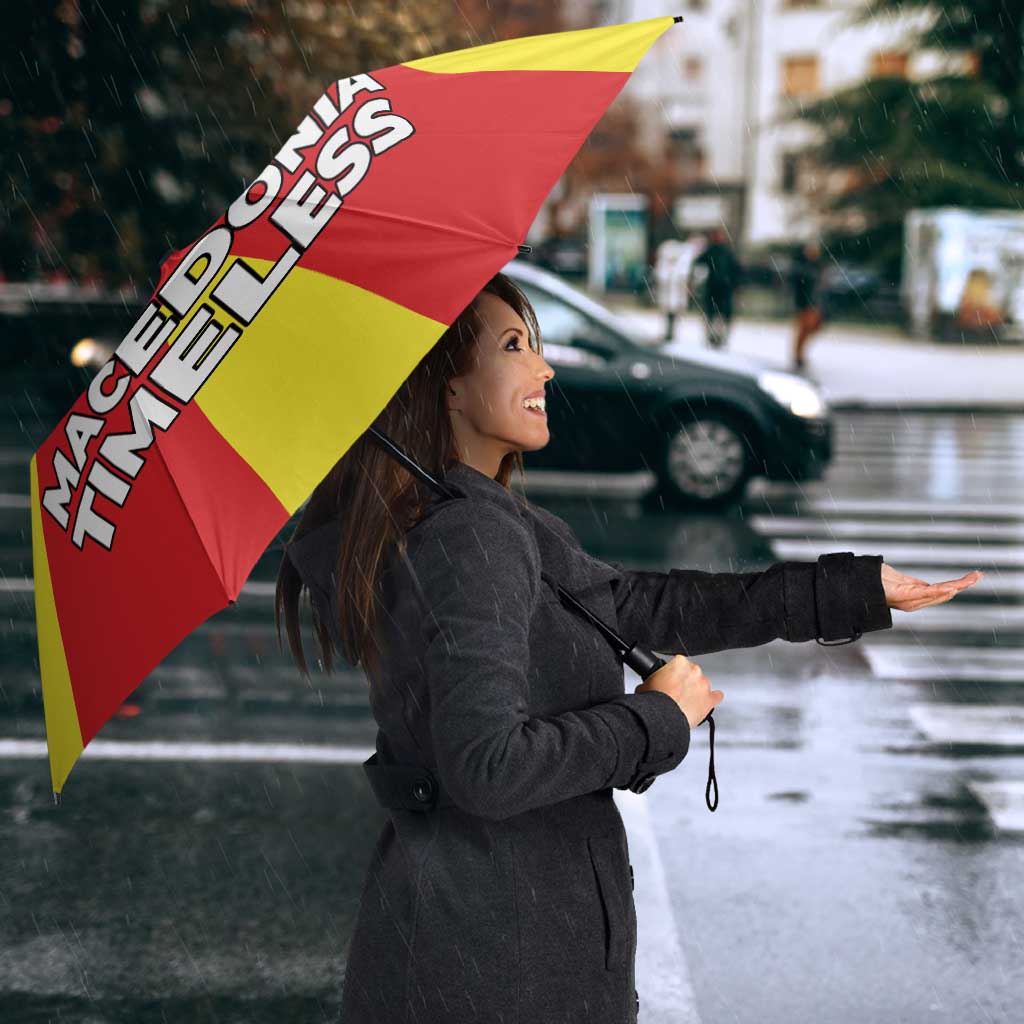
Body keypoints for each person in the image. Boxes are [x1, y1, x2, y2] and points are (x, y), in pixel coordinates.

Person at [275, 272, 980, 1024]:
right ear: (446, 387)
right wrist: (655, 719)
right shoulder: (470, 537)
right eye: (514, 346)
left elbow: (641, 605)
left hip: (480, 941)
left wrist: (850, 591)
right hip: (499, 963)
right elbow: (487, 767)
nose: (544, 368)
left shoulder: (476, 518)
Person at [692, 226, 742, 349]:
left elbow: (736, 270)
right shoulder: (712, 251)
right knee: (713, 314)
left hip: (723, 288)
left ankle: (719, 337)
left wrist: (735, 284)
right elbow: (698, 264)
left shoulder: (725, 252)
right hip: (715, 288)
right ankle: (713, 337)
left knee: (720, 315)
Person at [790, 239, 826, 370]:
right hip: (805, 303)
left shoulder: (817, 266)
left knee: (812, 328)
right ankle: (798, 355)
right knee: (804, 329)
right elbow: (799, 286)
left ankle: (799, 354)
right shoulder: (802, 267)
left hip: (814, 303)